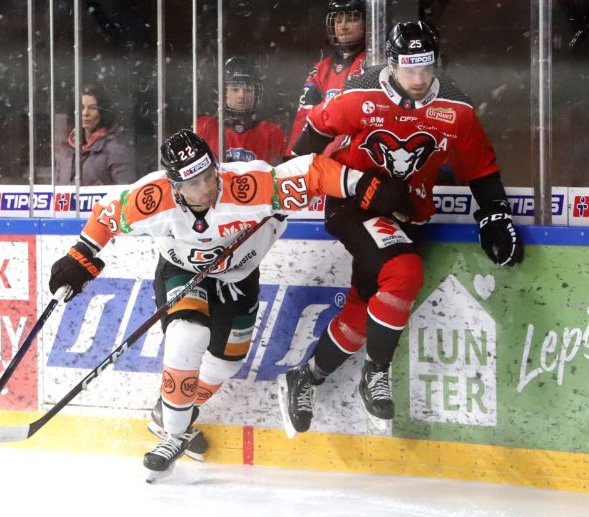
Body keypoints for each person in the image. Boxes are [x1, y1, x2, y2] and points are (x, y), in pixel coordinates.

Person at [47, 129, 411, 478]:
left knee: (223, 365)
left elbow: (313, 171)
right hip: (182, 269)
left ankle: (170, 411)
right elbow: (108, 213)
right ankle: (173, 431)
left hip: (239, 278)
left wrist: (363, 185)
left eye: (208, 175)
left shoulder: (247, 185)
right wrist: (81, 257)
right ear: (175, 184)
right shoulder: (153, 198)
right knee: (187, 336)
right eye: (192, 183)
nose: (206, 189)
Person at [279, 21, 524, 436]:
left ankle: (307, 376)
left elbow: (479, 165)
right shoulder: (359, 93)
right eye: (409, 68)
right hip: (353, 202)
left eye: (426, 68)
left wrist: (495, 212)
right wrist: (285, 185)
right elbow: (311, 138)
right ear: (390, 65)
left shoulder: (456, 106)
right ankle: (376, 371)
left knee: (364, 307)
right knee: (405, 271)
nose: (418, 79)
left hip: (405, 213)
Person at [285, 0, 367, 155]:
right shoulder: (320, 70)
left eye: (352, 19)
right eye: (338, 20)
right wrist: (294, 158)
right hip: (325, 163)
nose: (343, 27)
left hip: (359, 157)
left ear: (366, 24)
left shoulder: (374, 65)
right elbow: (304, 118)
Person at [195, 57, 285, 165]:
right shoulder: (205, 128)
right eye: (235, 89)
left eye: (248, 90)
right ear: (223, 93)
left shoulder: (272, 133)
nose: (241, 96)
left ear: (257, 94)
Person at [56, 84, 137, 186]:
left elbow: (127, 194)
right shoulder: (66, 150)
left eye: (92, 108)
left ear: (102, 112)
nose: (85, 113)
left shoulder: (115, 150)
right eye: (81, 107)